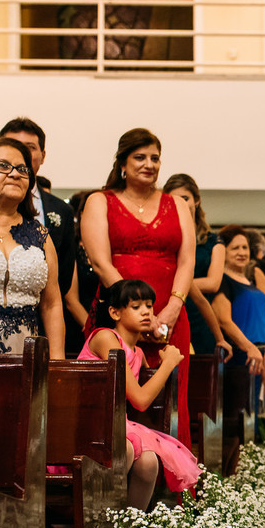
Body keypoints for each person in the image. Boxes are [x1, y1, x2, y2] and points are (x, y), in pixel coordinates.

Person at [80, 128, 195, 448]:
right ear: (123, 163)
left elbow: (186, 262)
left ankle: (174, 488)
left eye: (155, 158)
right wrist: (136, 314)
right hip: (118, 316)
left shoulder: (177, 205)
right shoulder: (100, 201)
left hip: (171, 318)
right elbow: (101, 263)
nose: (149, 164)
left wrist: (170, 310)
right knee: (116, 399)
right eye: (140, 157)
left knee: (172, 400)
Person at [79, 279, 202, 508]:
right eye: (136, 307)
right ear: (115, 312)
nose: (146, 312)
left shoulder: (137, 352)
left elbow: (144, 394)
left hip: (115, 425)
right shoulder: (106, 338)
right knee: (122, 449)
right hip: (86, 424)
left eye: (149, 306)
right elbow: (141, 400)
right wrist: (168, 364)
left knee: (148, 462)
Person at [0, 137, 65, 357]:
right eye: (3, 166)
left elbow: (52, 304)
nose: (15, 173)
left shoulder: (40, 235)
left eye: (22, 169)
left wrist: (57, 363)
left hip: (26, 352)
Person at [0, 117, 79, 356]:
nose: (21, 152)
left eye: (30, 147)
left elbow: (62, 276)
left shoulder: (60, 211)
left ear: (42, 156)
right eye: (13, 144)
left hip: (40, 327)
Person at [162, 173, 230, 358]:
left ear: (197, 200)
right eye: (173, 199)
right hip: (165, 310)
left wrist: (176, 282)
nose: (180, 203)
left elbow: (213, 283)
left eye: (185, 198)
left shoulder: (213, 241)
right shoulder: (164, 238)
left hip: (199, 315)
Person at [210, 224, 265, 371]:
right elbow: (223, 320)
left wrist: (264, 357)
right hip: (239, 354)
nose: (242, 252)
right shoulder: (222, 280)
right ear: (224, 252)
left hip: (259, 353)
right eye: (235, 248)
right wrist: (250, 348)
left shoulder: (250, 279)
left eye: (245, 247)